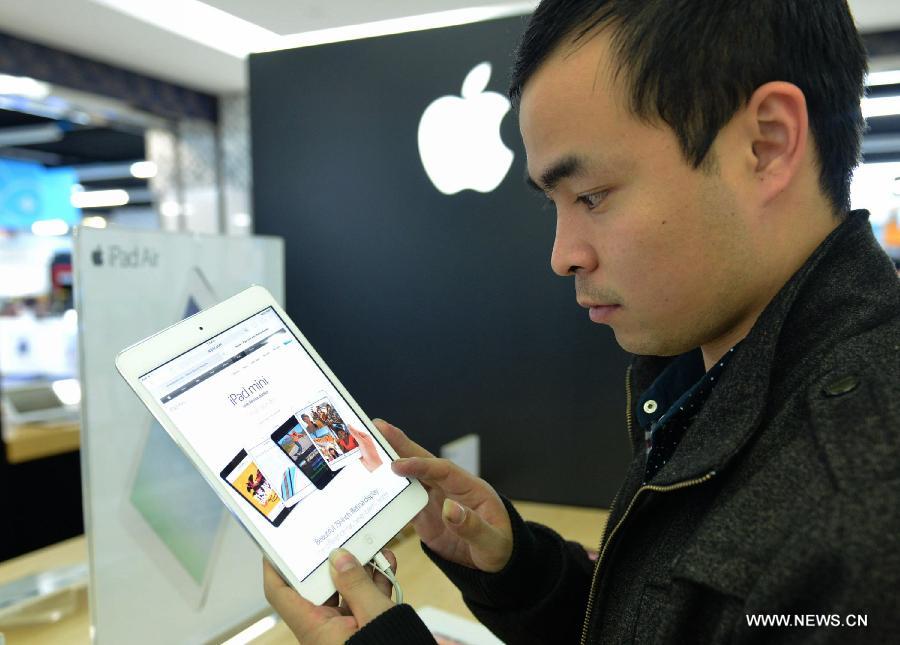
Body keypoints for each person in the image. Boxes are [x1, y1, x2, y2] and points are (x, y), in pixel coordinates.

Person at [263, 1, 900, 643]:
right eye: (556, 206)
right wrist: (521, 570)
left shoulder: (861, 507)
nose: (564, 255)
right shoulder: (705, 384)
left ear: (767, 144)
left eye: (591, 196)